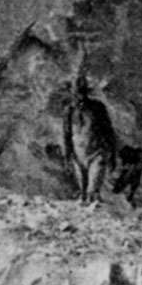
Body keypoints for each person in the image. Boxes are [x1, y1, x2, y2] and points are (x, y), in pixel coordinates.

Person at [62, 75, 118, 204]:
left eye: (82, 91)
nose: (79, 95)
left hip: (96, 154)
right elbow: (66, 135)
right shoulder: (69, 111)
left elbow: (109, 132)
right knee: (83, 194)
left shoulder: (98, 108)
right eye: (77, 91)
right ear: (72, 92)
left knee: (92, 192)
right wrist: (67, 157)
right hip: (78, 156)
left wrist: (112, 155)